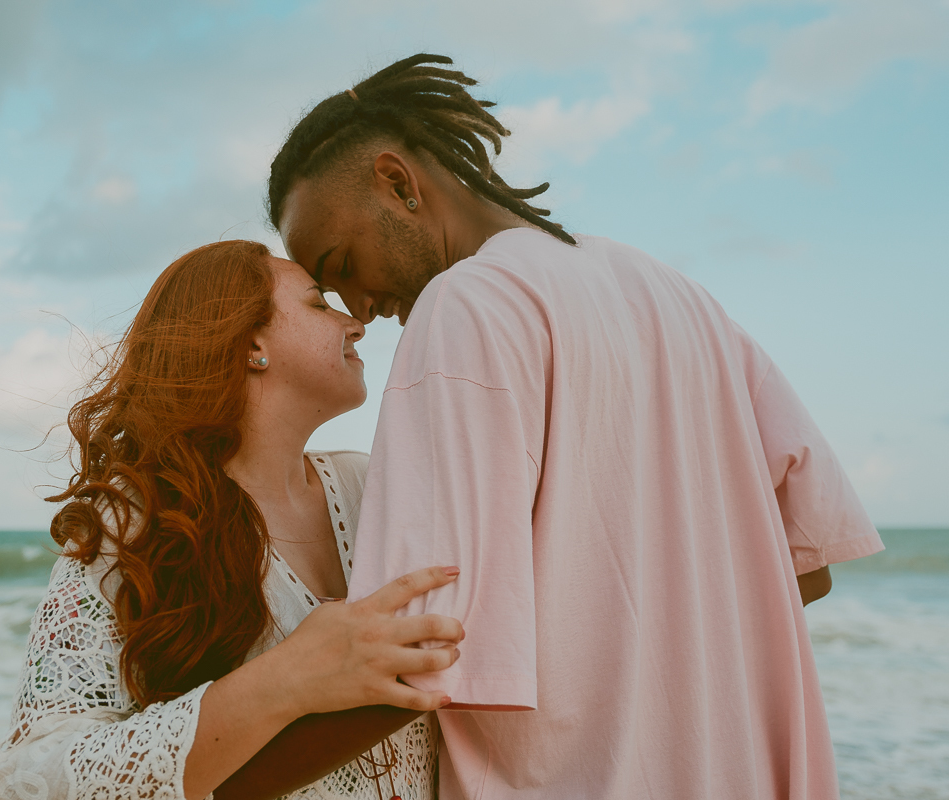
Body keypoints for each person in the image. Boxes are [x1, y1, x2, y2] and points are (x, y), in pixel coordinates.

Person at [253, 54, 885, 800]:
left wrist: (202, 782)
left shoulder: (464, 310)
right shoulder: (679, 296)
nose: (357, 309)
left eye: (340, 261)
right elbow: (806, 569)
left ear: (397, 182)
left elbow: (414, 655)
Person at [0, 240, 464, 800]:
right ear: (250, 343)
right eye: (319, 304)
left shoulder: (377, 488)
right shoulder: (133, 522)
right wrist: (287, 678)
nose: (355, 324)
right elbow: (35, 780)